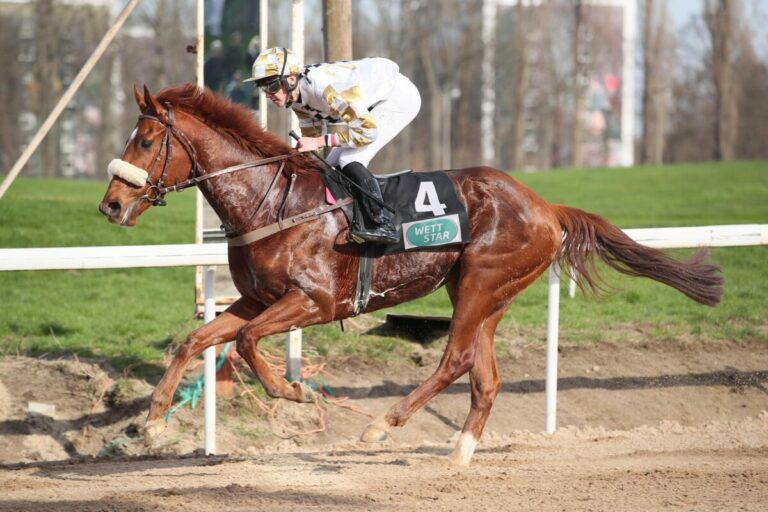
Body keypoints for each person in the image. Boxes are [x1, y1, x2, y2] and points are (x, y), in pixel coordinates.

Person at [244, 47, 422, 244]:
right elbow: (311, 138)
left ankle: (383, 223)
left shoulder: (325, 89)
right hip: (372, 105)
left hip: (397, 98)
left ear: (290, 79)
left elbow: (367, 133)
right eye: (264, 89)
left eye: (271, 87)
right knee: (328, 166)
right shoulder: (295, 99)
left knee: (350, 158)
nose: (268, 95)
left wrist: (320, 142)